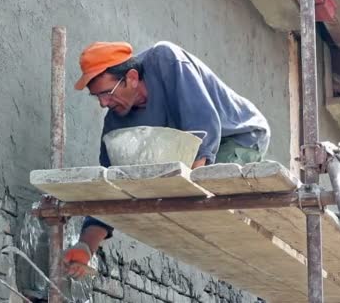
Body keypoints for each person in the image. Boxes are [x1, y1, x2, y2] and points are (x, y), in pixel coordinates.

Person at [63, 41, 270, 278]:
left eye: (106, 94)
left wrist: (184, 193)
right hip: (190, 151)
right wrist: (86, 247)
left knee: (202, 201)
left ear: (131, 77)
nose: (103, 103)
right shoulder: (117, 123)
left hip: (238, 137)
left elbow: (204, 128)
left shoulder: (166, 60)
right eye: (96, 97)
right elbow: (112, 187)